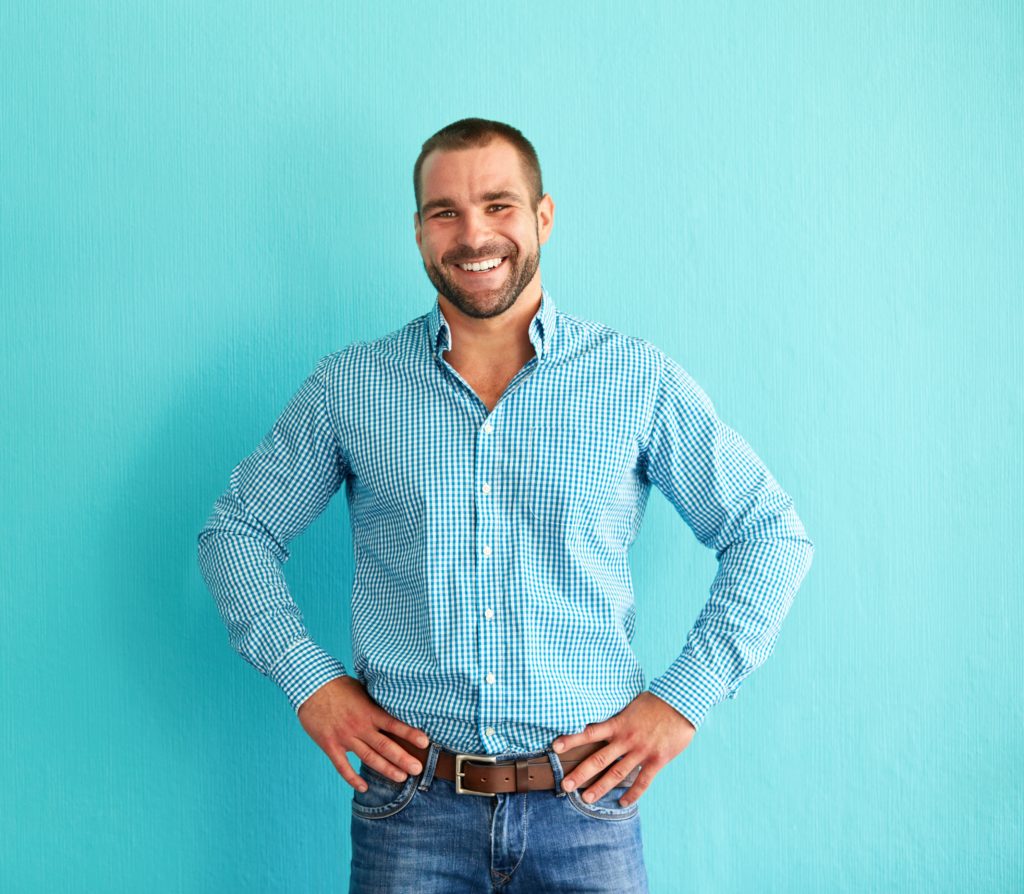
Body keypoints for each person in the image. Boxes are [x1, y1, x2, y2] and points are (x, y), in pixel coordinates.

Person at [197, 117, 814, 892]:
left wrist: (680, 702)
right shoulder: (350, 387)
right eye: (444, 212)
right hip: (412, 814)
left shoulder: (635, 380)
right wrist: (309, 682)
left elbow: (769, 534)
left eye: (498, 205)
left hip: (586, 808)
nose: (472, 234)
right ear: (419, 232)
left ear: (542, 217)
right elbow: (238, 533)